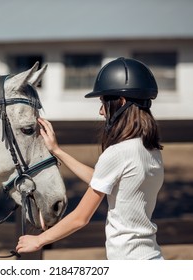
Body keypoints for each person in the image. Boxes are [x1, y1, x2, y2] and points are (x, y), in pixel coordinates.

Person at [16, 57, 164, 260]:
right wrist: (57, 151)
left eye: (104, 102)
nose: (101, 110)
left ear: (120, 102)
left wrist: (39, 240)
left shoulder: (117, 153)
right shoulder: (151, 150)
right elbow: (105, 179)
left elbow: (80, 218)